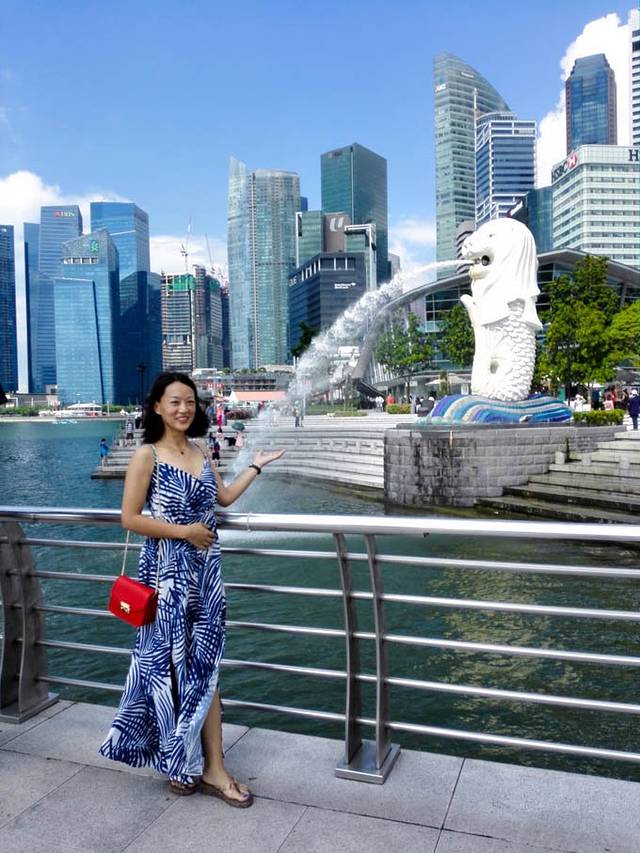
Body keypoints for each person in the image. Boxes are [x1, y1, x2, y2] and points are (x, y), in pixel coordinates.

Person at [99, 371, 284, 805]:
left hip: (206, 577)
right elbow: (130, 518)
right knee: (169, 671)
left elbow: (224, 499)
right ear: (157, 407)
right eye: (175, 401)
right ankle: (186, 763)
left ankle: (209, 766)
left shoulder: (200, 451)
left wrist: (256, 465)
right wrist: (184, 532)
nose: (184, 409)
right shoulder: (147, 455)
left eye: (190, 402)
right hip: (167, 577)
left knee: (205, 667)